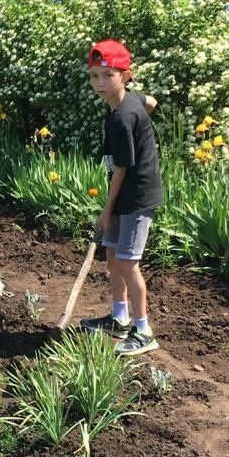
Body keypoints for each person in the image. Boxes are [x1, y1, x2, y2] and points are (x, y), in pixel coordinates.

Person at [80, 39, 163, 355]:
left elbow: (122, 169)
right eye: (94, 76)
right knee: (112, 257)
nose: (99, 83)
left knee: (127, 262)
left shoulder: (120, 119)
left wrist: (106, 210)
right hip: (125, 194)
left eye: (108, 75)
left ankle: (143, 331)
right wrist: (144, 112)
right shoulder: (128, 103)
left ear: (125, 75)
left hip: (136, 197)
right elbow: (151, 101)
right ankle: (119, 317)